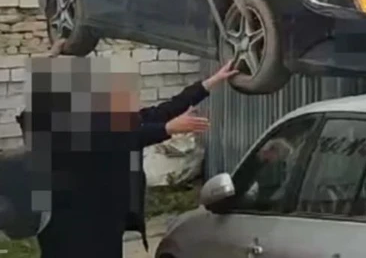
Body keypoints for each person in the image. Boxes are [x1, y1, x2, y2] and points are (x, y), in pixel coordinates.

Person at [17, 59, 238, 258]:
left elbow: (159, 112)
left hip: (104, 221)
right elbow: (112, 138)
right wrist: (167, 129)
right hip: (68, 226)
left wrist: (209, 83)